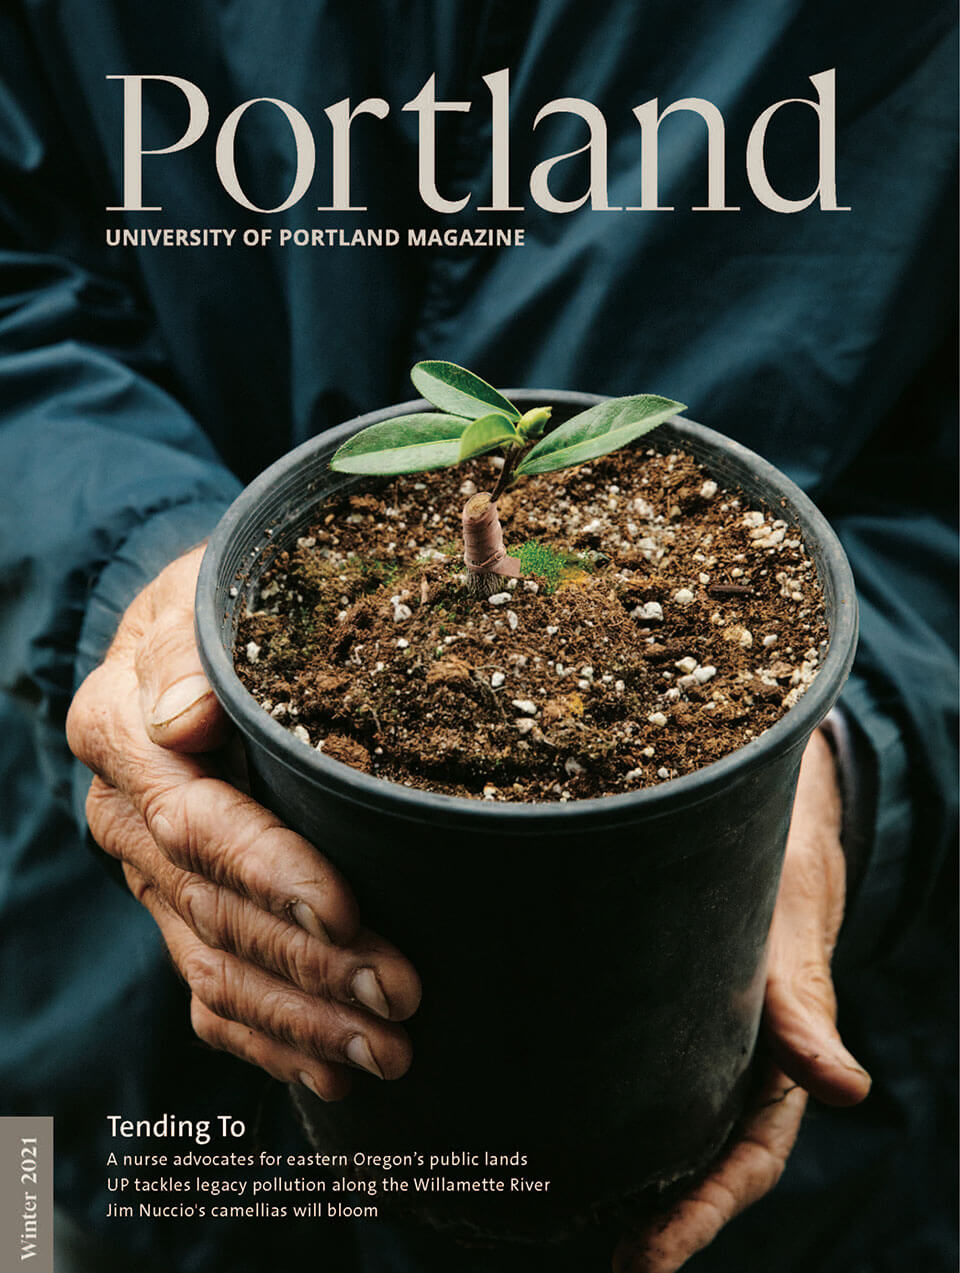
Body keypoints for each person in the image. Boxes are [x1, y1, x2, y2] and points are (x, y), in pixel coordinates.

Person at [0, 3, 955, 1271]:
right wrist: (131, 567)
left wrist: (845, 747)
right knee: (40, 1229)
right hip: (133, 1064)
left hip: (822, 1148)